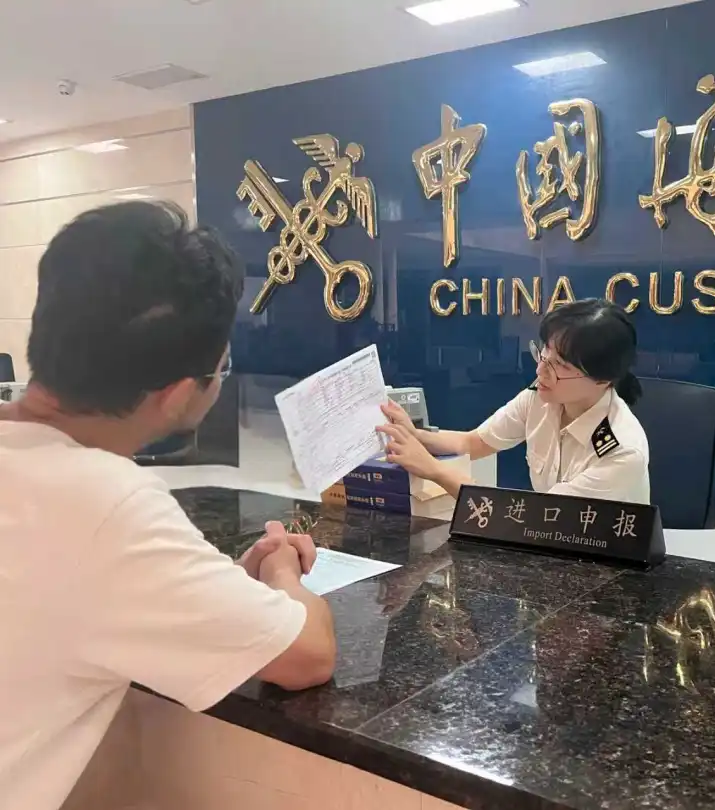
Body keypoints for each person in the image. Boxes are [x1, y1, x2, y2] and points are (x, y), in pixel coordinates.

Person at [0, 202, 337, 810]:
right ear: (181, 393)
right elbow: (307, 654)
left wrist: (218, 585)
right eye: (222, 368)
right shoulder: (104, 506)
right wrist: (282, 570)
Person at [378, 298, 650, 504]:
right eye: (544, 354)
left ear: (602, 379)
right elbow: (473, 442)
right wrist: (415, 435)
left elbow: (533, 517)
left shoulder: (622, 452)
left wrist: (435, 470)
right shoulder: (540, 397)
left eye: (560, 366)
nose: (540, 371)